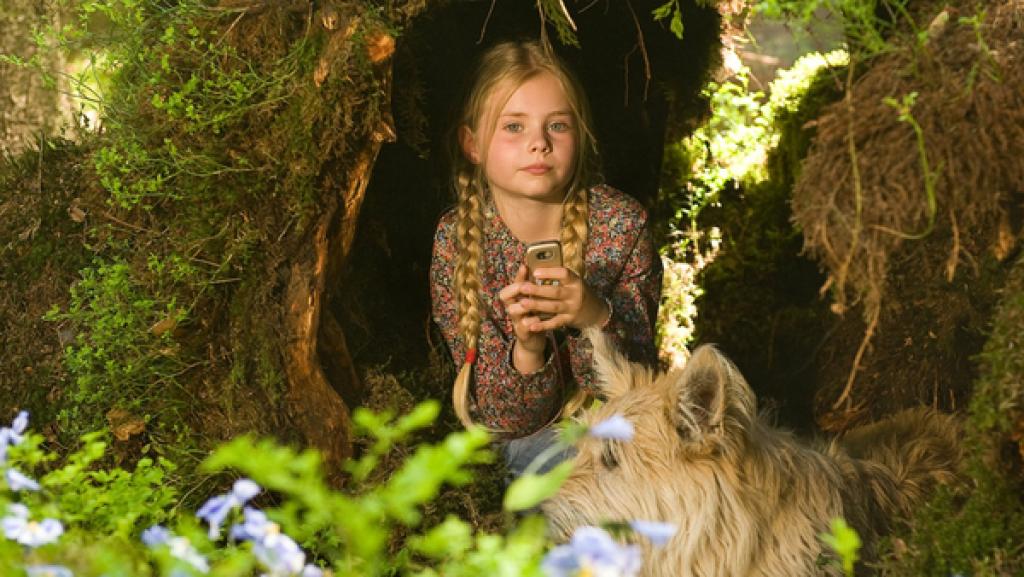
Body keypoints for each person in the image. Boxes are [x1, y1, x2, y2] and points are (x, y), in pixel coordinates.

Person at [430, 39, 662, 479]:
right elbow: (508, 424)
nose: (538, 143)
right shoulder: (457, 241)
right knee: (535, 455)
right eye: (513, 127)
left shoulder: (620, 225)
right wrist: (528, 347)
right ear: (472, 144)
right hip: (523, 445)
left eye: (557, 125)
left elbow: (639, 386)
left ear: (581, 135)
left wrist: (593, 315)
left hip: (616, 432)